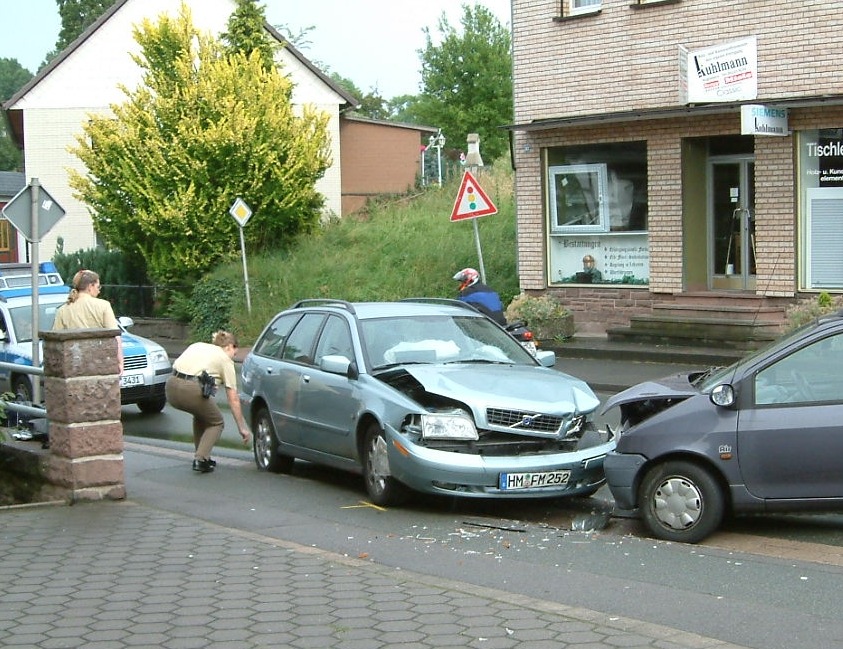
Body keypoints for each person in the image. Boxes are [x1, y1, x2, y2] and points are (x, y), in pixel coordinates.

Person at [166, 330, 251, 473]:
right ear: (230, 346)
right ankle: (200, 459)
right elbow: (233, 398)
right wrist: (242, 428)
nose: (233, 357)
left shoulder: (198, 345)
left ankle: (203, 454)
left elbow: (190, 368)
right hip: (190, 391)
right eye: (235, 353)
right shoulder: (225, 359)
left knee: (202, 415)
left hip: (171, 386)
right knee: (216, 422)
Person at [53, 269, 123, 374]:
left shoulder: (62, 310)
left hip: (74, 365)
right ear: (90, 286)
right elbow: (115, 337)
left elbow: (55, 340)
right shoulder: (104, 305)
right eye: (98, 287)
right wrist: (120, 362)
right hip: (99, 363)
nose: (99, 290)